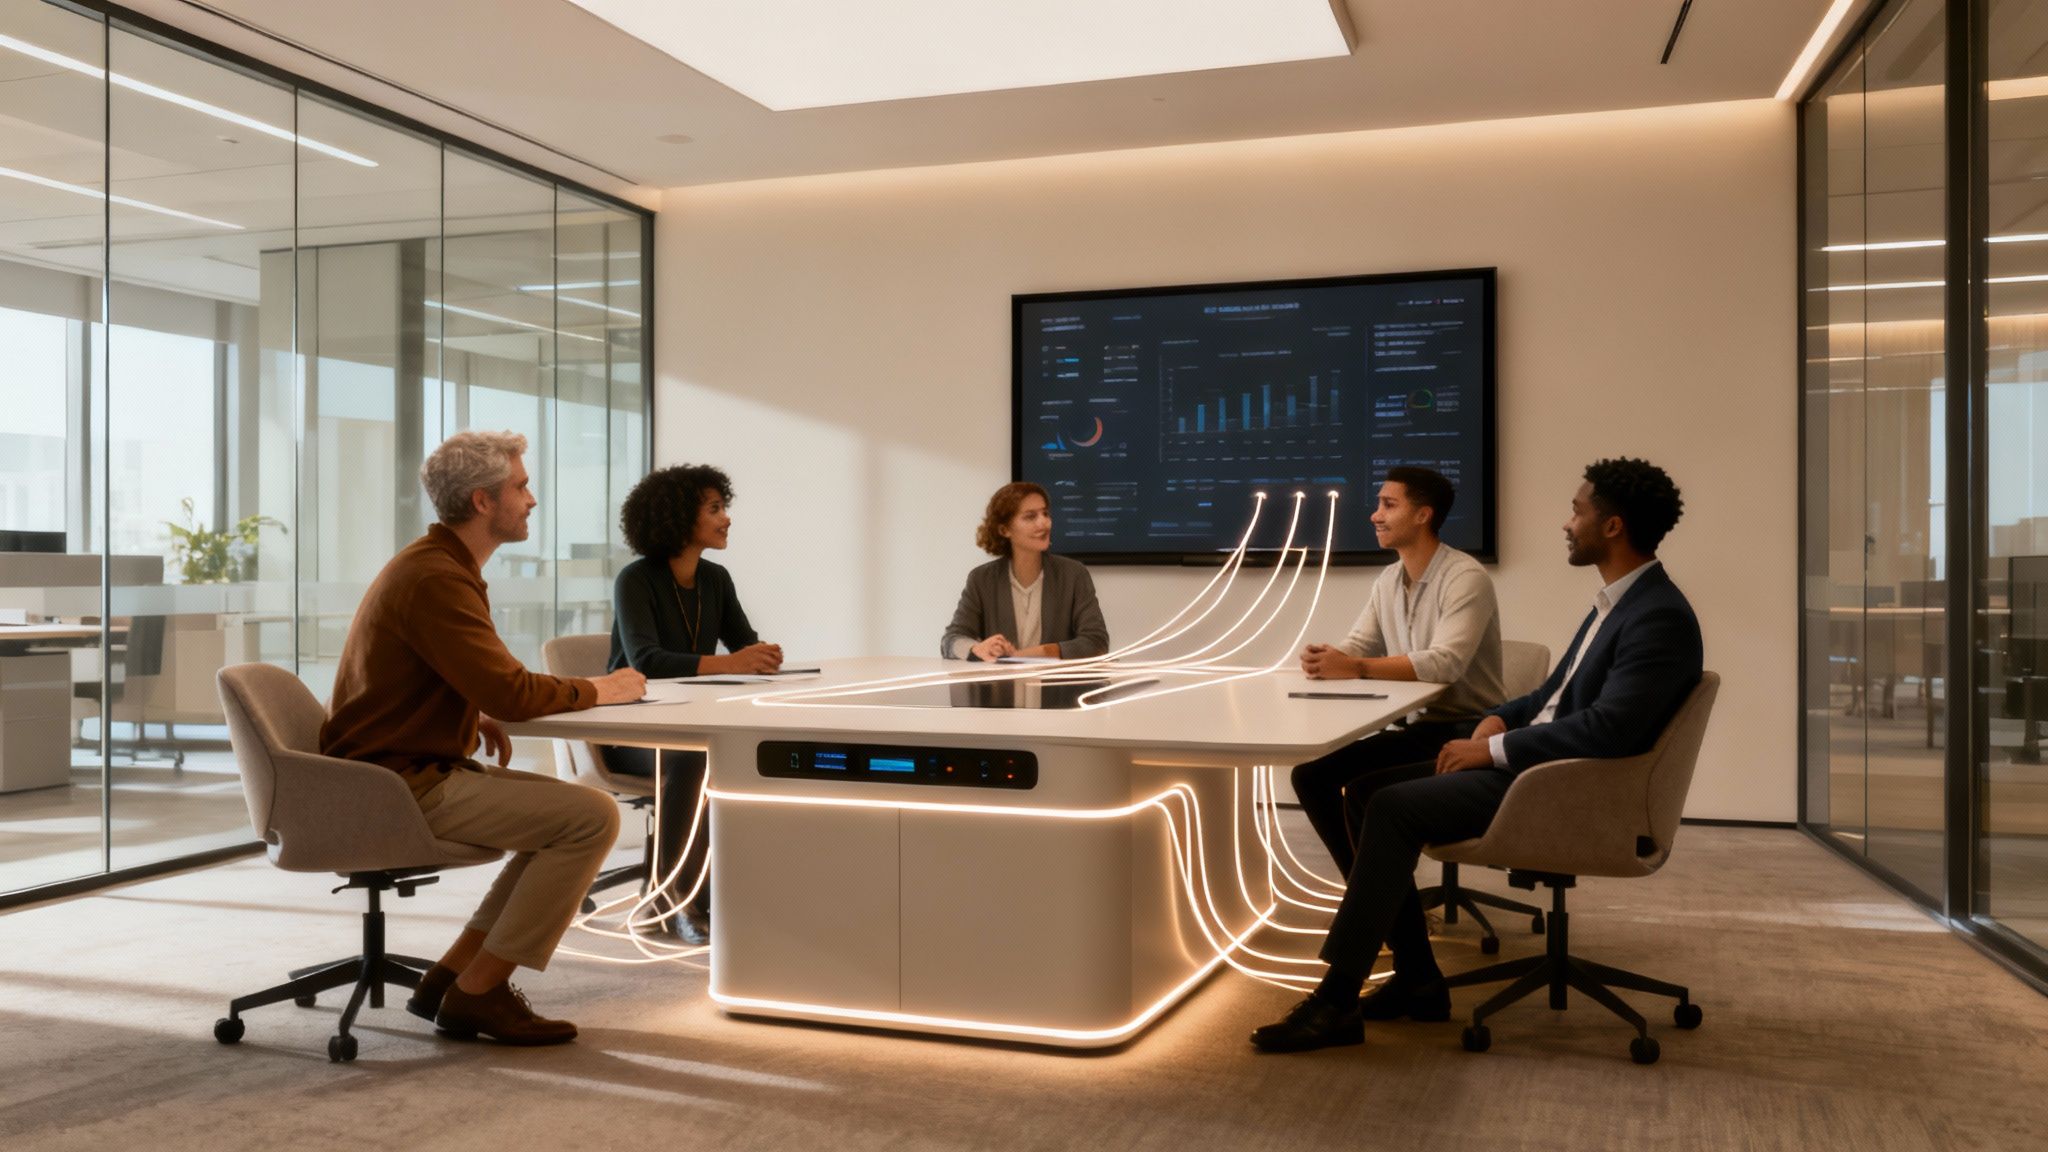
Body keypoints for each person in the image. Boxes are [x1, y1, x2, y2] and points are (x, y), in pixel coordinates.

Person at [1252, 457, 1703, 1053]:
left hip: (1557, 785)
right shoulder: (1618, 603)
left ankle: (1336, 1000)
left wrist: (1492, 748)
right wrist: (1501, 718)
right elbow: (1554, 695)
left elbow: (1608, 731)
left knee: (1387, 805)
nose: (1567, 523)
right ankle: (1418, 980)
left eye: (1578, 510)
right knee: (1361, 792)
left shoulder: (1658, 616)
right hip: (1531, 762)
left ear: (1613, 527)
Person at [321, 430, 647, 1046]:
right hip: (397, 786)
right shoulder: (437, 578)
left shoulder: (435, 565)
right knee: (590, 817)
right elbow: (511, 692)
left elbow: (427, 682)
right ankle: (481, 993)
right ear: (482, 501)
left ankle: (448, 979)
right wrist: (600, 688)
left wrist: (468, 715)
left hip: (394, 770)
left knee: (559, 818)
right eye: (520, 487)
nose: (532, 499)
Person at [1290, 466, 1504, 878]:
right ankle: (1369, 897)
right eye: (1378, 504)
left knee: (1363, 791)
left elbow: (1446, 663)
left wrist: (1352, 666)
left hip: (1467, 731)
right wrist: (1326, 657)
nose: (1375, 515)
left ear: (1423, 515)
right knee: (1311, 777)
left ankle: (1379, 906)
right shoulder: (1388, 580)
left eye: (1389, 504)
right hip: (1418, 731)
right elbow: (1359, 645)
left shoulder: (1465, 578)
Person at [605, 464, 780, 944]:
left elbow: (743, 643)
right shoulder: (635, 580)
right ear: (681, 518)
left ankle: (719, 892)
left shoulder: (716, 579)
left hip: (688, 723)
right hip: (627, 732)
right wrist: (733, 663)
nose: (727, 519)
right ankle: (676, 900)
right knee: (690, 761)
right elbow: (647, 660)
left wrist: (762, 656)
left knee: (733, 753)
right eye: (715, 509)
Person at [941, 481, 1109, 661]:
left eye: (1045, 513)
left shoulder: (1073, 574)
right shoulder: (982, 579)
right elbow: (950, 641)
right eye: (1030, 517)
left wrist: (1023, 656)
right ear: (1004, 530)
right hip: (1001, 688)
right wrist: (978, 648)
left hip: (1057, 688)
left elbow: (1096, 642)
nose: (1043, 523)